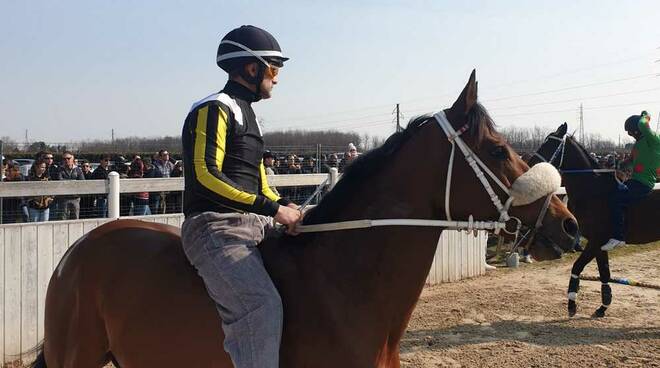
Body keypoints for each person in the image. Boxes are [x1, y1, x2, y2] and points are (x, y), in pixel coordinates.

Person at [180, 25, 301, 368]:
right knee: (261, 306)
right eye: (273, 69)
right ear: (251, 68)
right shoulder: (213, 107)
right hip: (214, 229)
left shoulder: (252, 117)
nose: (276, 78)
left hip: (256, 224)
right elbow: (205, 176)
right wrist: (271, 209)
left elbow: (259, 182)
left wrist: (282, 205)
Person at [602, 111, 660, 251]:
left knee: (617, 198)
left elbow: (643, 123)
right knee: (612, 190)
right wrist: (618, 165)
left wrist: (644, 115)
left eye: (631, 132)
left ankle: (618, 237)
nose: (631, 135)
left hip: (644, 184)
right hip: (635, 181)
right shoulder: (638, 144)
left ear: (637, 130)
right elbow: (630, 161)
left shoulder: (652, 138)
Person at [56, 151, 85, 220]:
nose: (66, 160)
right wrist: (74, 182)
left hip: (75, 198)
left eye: (68, 158)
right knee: (62, 219)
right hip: (63, 199)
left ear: (73, 159)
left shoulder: (78, 170)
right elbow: (59, 182)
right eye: (64, 159)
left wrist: (67, 183)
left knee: (75, 218)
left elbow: (82, 182)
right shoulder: (59, 170)